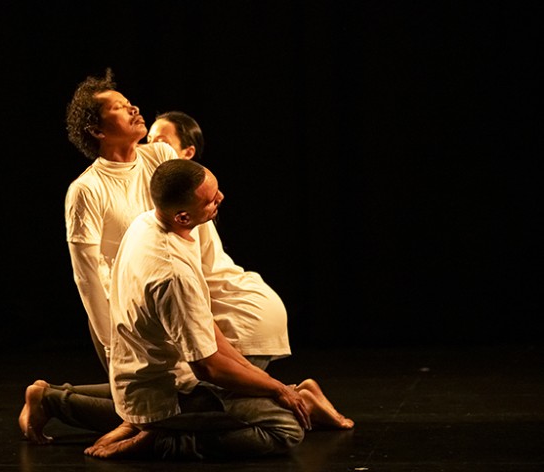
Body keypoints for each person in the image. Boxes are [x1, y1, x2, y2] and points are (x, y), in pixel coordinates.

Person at [19, 159, 354, 457]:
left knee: (256, 395)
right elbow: (208, 369)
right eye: (210, 199)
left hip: (151, 372)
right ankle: (164, 440)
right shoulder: (172, 274)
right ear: (183, 215)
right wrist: (279, 391)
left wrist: (269, 384)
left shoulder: (150, 223)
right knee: (286, 428)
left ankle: (49, 398)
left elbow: (209, 332)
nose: (220, 199)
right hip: (168, 389)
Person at [65, 71, 289, 372]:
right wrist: (112, 342)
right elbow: (88, 276)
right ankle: (54, 398)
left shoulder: (159, 155)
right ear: (97, 130)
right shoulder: (87, 189)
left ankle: (52, 397)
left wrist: (207, 288)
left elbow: (198, 232)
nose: (133, 109)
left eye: (130, 102)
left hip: (181, 286)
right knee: (167, 402)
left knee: (255, 322)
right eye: (118, 107)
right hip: (134, 309)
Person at [147, 111, 290, 370]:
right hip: (240, 313)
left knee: (205, 398)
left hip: (242, 317)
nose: (152, 148)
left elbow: (196, 283)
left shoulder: (190, 207)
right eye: (149, 140)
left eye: (162, 142)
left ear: (187, 153)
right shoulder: (172, 203)